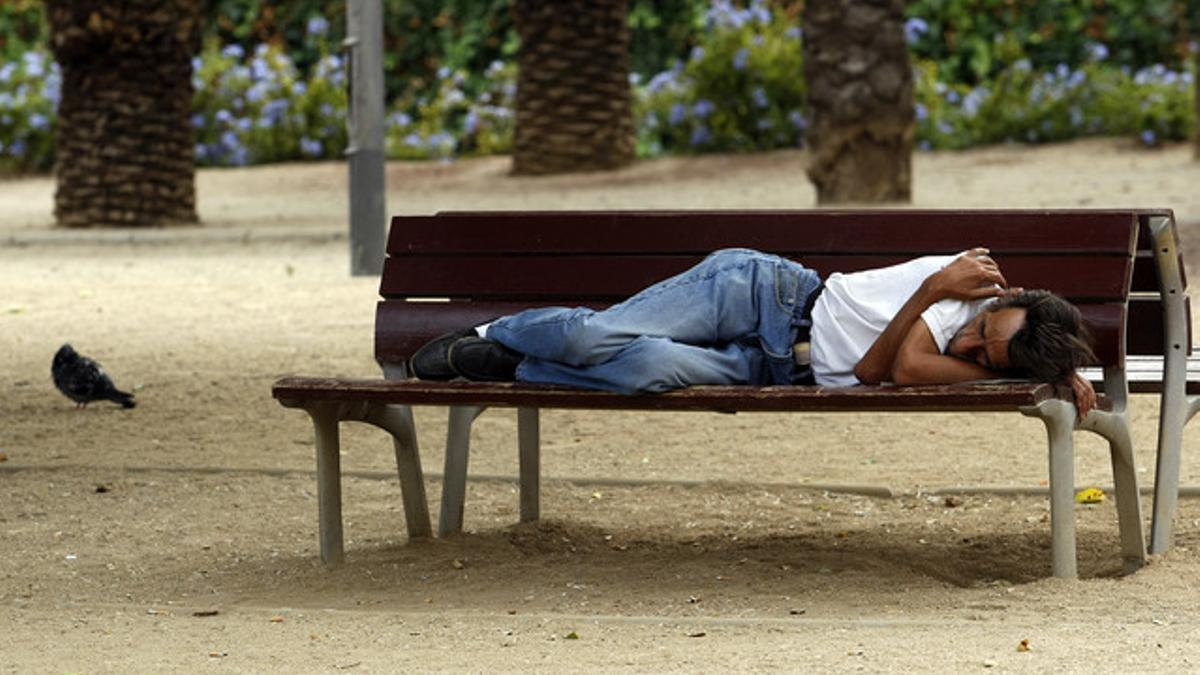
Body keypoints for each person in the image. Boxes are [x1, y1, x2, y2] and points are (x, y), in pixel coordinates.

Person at [409, 248, 1098, 416]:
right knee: (599, 340)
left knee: (645, 369)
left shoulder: (980, 340)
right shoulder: (964, 282)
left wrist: (1048, 371)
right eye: (983, 329)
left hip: (775, 368)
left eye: (985, 356)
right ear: (1001, 300)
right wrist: (934, 289)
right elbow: (891, 367)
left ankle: (511, 367)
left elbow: (895, 371)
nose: (970, 344)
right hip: (765, 295)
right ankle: (500, 328)